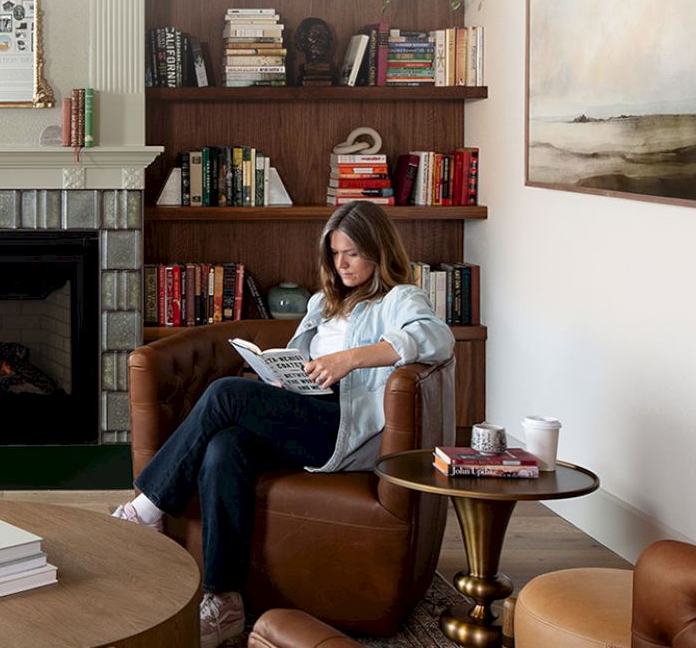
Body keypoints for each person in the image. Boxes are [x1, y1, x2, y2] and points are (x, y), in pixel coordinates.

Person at [112, 200, 455, 648]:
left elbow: (437, 338)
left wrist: (351, 359)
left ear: (378, 249)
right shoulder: (322, 303)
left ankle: (148, 506)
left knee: (224, 393)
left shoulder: (397, 299)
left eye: (352, 252)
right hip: (307, 409)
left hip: (344, 424)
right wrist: (278, 377)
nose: (342, 264)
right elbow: (307, 364)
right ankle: (225, 600)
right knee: (224, 447)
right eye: (335, 253)